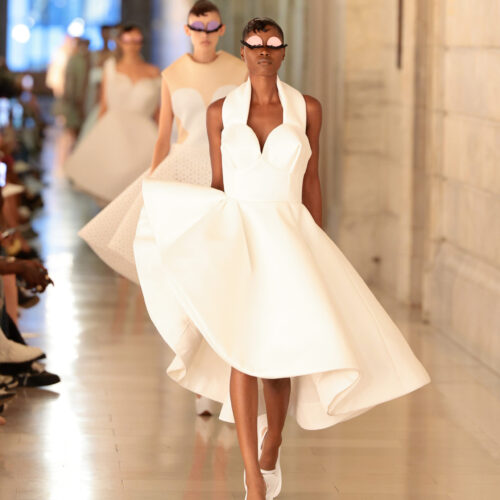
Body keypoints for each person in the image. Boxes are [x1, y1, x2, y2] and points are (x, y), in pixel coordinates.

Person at [133, 17, 431, 500]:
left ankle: (272, 442)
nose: (264, 51)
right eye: (255, 44)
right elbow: (218, 184)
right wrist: (204, 244)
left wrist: (318, 244)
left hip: (290, 239)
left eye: (272, 43)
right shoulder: (219, 112)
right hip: (238, 238)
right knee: (242, 352)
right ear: (243, 52)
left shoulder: (307, 108)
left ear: (284, 51)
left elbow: (312, 179)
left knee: (279, 359)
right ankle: (252, 477)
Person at [78, 0, 248, 415]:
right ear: (188, 30)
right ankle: (198, 374)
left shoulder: (239, 70)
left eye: (211, 27)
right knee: (190, 272)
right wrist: (152, 183)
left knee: (224, 272)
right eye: (197, 27)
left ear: (221, 30)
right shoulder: (171, 74)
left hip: (230, 174)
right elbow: (164, 135)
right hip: (184, 172)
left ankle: (223, 370)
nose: (204, 34)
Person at [65, 25, 161, 204]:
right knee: (112, 189)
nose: (132, 45)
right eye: (128, 40)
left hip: (143, 136)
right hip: (114, 133)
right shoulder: (110, 68)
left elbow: (158, 111)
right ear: (120, 42)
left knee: (139, 193)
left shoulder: (153, 72)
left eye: (137, 40)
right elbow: (104, 105)